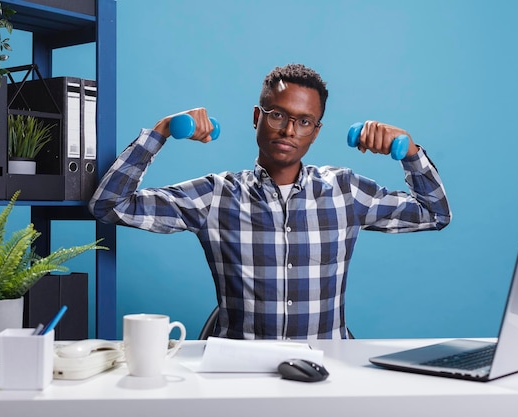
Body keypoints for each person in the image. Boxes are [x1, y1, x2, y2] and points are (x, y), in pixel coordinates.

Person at [89, 63, 451, 340]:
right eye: (278, 114)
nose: (289, 130)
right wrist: (161, 131)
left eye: (304, 121)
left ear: (316, 131)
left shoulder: (346, 191)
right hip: (240, 376)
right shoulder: (215, 196)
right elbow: (109, 205)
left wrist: (411, 152)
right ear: (257, 117)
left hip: (328, 372)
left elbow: (434, 213)